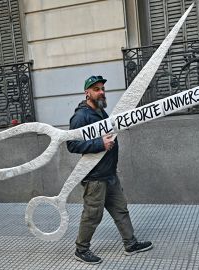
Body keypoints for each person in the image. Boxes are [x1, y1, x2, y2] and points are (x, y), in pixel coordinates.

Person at [67, 75, 153, 265]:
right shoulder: (81, 116)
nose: (101, 92)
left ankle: (130, 244)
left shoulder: (100, 112)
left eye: (102, 89)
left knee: (121, 210)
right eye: (96, 89)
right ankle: (81, 250)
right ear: (87, 93)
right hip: (95, 177)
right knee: (92, 215)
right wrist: (99, 143)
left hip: (109, 174)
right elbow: (72, 145)